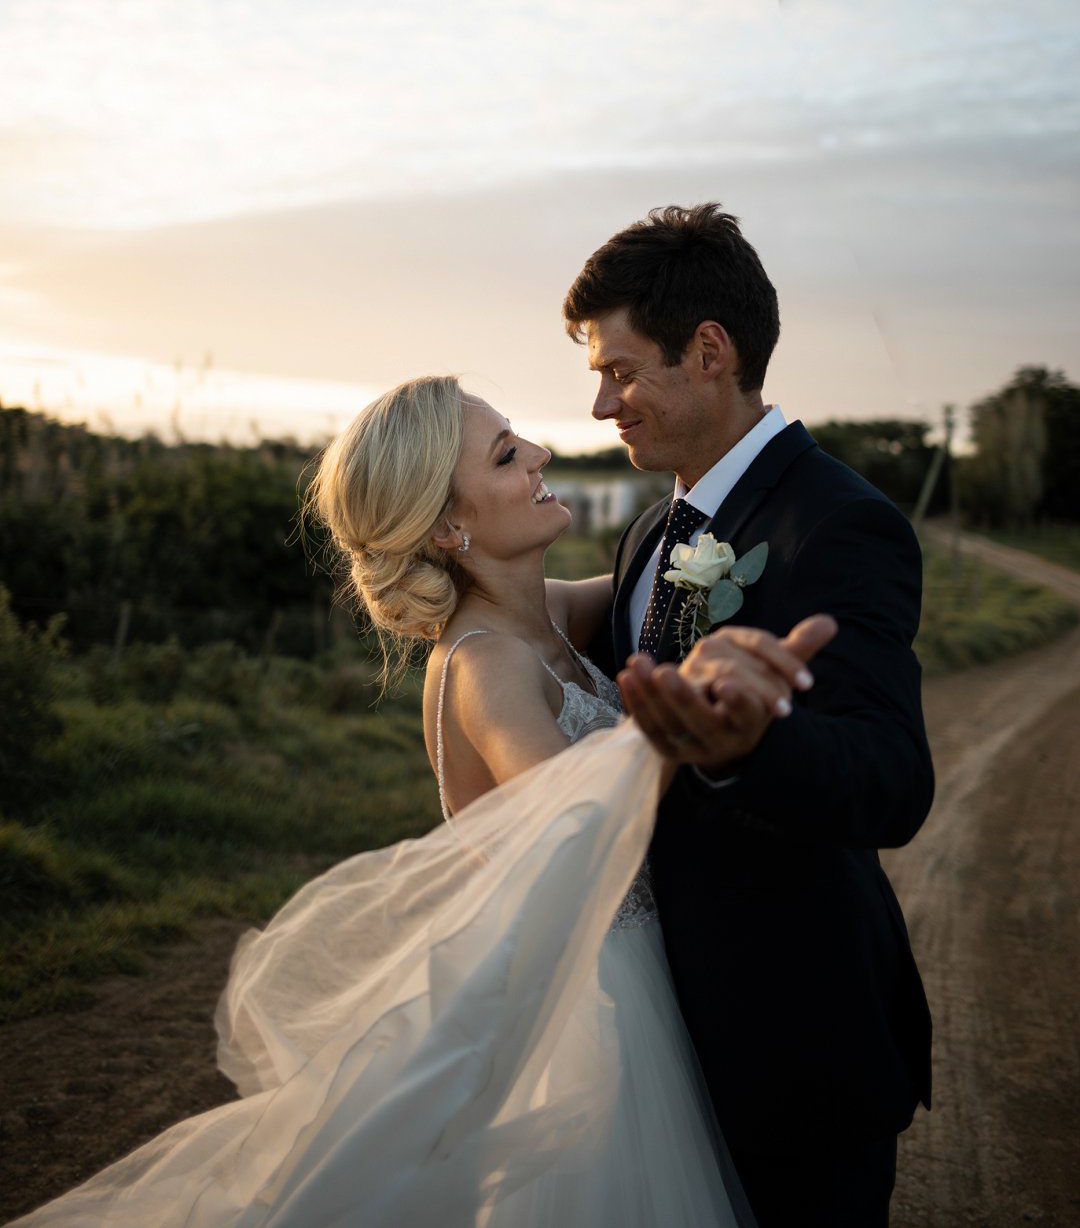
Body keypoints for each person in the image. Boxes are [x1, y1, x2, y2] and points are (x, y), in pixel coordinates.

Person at [11, 374, 835, 1228]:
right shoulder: (486, 665)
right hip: (596, 1005)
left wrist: (727, 514)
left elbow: (666, 593)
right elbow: (575, 817)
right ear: (449, 525)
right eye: (509, 455)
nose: (543, 455)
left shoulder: (544, 618)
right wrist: (688, 718)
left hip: (642, 967)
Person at [562, 202, 935, 1228]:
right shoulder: (652, 531)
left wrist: (753, 747)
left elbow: (893, 777)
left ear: (710, 351)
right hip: (660, 1054)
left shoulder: (841, 523)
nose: (603, 405)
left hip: (794, 1049)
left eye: (621, 370)